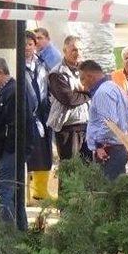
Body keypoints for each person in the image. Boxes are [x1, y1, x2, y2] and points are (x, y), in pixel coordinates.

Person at [0, 57, 36, 230]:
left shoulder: (12, 91)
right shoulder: (6, 91)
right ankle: (20, 229)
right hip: (10, 150)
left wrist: (9, 147)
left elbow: (17, 123)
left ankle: (6, 233)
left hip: (12, 150)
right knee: (14, 193)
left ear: (0, 72)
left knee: (1, 192)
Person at [79, 60, 128, 180]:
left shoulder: (102, 93)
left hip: (108, 150)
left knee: (106, 190)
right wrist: (122, 133)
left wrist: (99, 144)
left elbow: (109, 123)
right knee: (118, 188)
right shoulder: (114, 86)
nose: (82, 84)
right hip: (118, 146)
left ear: (90, 77)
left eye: (82, 79)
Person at [47, 35, 92, 163]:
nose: (77, 53)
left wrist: (85, 90)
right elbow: (69, 99)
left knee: (88, 170)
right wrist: (89, 93)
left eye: (80, 50)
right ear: (64, 51)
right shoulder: (57, 73)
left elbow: (97, 86)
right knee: (70, 170)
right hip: (68, 128)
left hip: (87, 126)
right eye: (74, 50)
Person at [25, 31, 53, 200]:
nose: (27, 47)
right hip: (27, 115)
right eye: (24, 44)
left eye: (30, 44)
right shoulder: (16, 65)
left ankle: (40, 192)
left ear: (35, 46)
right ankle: (26, 195)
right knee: (28, 154)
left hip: (43, 114)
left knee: (44, 153)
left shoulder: (42, 64)